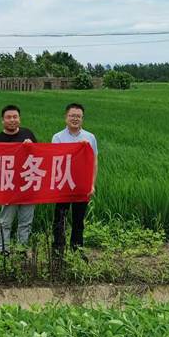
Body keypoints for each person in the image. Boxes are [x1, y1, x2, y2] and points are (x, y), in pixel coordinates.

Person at [52, 103, 98, 257]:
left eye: (78, 116)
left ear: (82, 118)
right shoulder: (58, 137)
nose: (75, 119)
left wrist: (91, 184)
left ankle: (77, 251)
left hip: (81, 186)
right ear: (66, 117)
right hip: (63, 185)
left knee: (79, 221)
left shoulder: (90, 137)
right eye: (72, 115)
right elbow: (54, 161)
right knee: (60, 219)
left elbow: (94, 162)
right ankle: (58, 251)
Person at [0, 104, 38, 253]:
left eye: (15, 117)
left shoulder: (28, 134)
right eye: (8, 117)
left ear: (19, 119)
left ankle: (21, 250)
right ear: (3, 120)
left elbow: (40, 156)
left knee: (26, 222)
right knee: (5, 222)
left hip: (27, 185)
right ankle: (3, 251)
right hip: (9, 187)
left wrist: (32, 147)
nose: (12, 120)